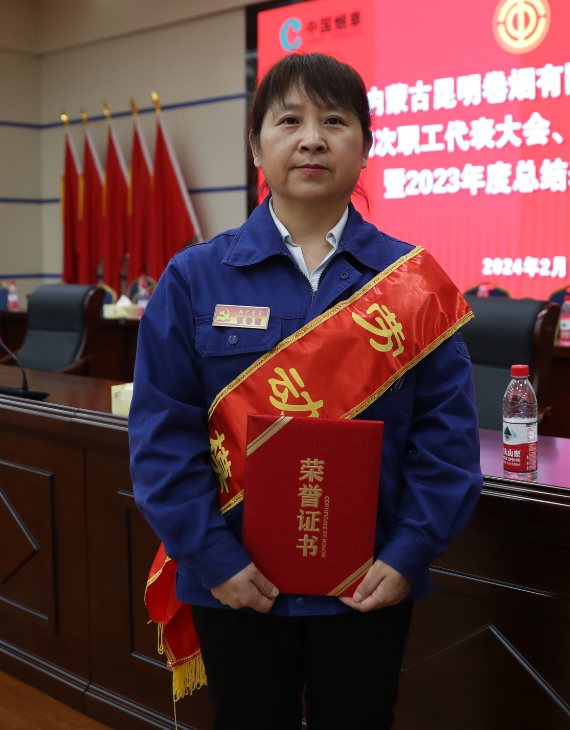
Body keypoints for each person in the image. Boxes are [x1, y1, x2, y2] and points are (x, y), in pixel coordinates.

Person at [129, 52, 482, 730]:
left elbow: (447, 443)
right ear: (256, 144)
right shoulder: (194, 279)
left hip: (369, 586)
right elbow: (162, 438)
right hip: (234, 583)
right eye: (289, 120)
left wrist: (407, 555)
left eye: (335, 121)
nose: (312, 139)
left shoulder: (414, 284)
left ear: (366, 146)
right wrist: (214, 559)